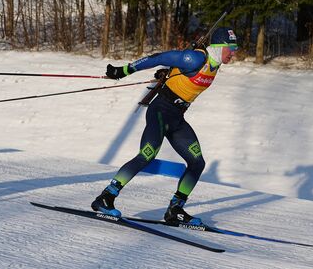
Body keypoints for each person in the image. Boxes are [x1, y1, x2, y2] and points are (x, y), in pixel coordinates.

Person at [92, 27, 238, 225]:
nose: (233, 53)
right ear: (220, 46)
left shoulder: (214, 62)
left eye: (235, 48)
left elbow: (180, 74)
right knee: (147, 154)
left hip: (177, 117)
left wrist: (171, 72)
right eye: (231, 48)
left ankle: (175, 209)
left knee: (197, 162)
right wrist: (123, 71)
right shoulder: (195, 59)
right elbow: (158, 57)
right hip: (161, 110)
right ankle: (106, 197)